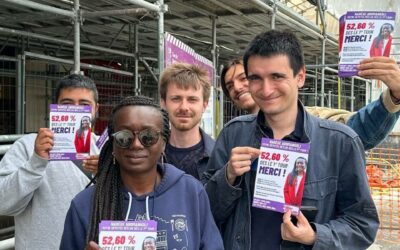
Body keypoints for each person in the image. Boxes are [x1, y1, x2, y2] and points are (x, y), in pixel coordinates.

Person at [203, 30, 379, 249]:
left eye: (277, 76)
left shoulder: (340, 143)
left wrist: (315, 236)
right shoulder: (233, 134)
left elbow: (362, 224)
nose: (266, 90)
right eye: (256, 78)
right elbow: (205, 212)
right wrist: (227, 177)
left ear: (300, 77)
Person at [60, 96, 223, 250]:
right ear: (113, 145)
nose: (136, 145)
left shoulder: (191, 192)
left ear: (163, 144)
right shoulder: (84, 204)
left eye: (149, 136)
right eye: (124, 136)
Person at [0, 74, 100, 249]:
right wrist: (36, 161)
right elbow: (3, 204)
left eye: (84, 105)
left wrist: (107, 174)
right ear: (54, 108)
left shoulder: (106, 149)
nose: (75, 110)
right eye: (67, 104)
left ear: (95, 109)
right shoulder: (27, 145)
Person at [220, 57, 400, 150]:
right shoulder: (233, 135)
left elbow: (359, 130)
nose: (237, 87)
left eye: (244, 78)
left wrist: (393, 97)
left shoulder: (313, 119)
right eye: (229, 85)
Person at [159, 63, 214, 180]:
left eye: (192, 99)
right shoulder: (150, 155)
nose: (184, 107)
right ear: (163, 103)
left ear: (204, 105)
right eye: (176, 99)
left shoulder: (219, 157)